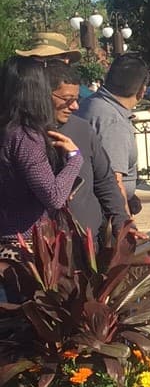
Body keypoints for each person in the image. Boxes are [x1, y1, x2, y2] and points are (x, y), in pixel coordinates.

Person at [0, 56, 82, 258]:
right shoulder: (26, 137)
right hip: (22, 247)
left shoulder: (8, 130)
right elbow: (54, 197)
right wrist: (75, 158)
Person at [44, 62, 129, 241]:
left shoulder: (82, 129)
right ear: (44, 94)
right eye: (67, 99)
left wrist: (121, 223)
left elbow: (105, 181)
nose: (75, 106)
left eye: (76, 99)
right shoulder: (23, 136)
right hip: (44, 241)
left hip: (88, 239)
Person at [81, 54, 150, 211]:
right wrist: (124, 221)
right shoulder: (113, 121)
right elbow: (113, 181)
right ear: (142, 90)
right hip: (102, 213)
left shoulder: (92, 103)